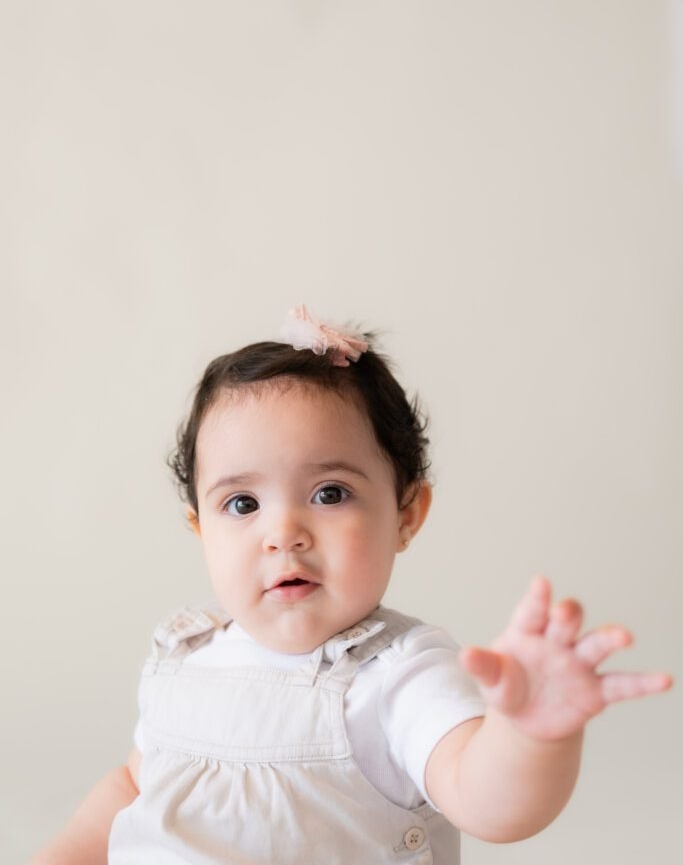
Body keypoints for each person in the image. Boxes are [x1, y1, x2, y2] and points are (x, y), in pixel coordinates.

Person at [32, 306, 673, 864]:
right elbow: (128, 790)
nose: (283, 533)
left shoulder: (399, 677)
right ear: (200, 530)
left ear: (405, 514)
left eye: (329, 493)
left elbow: (489, 802)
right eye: (242, 504)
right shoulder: (186, 656)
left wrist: (531, 734)